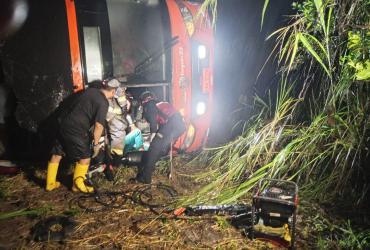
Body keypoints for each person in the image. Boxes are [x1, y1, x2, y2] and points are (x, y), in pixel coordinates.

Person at [45, 79, 120, 193]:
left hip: (63, 123)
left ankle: (50, 184)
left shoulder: (90, 91)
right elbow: (99, 126)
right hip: (76, 129)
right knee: (85, 157)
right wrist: (95, 144)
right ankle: (77, 185)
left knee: (57, 153)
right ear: (114, 91)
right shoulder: (103, 102)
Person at [133, 91, 186, 184]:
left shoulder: (150, 105)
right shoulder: (159, 104)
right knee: (160, 150)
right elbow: (164, 120)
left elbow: (153, 124)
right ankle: (148, 169)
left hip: (171, 126)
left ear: (144, 100)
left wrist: (153, 138)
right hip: (179, 127)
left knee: (153, 148)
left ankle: (146, 178)